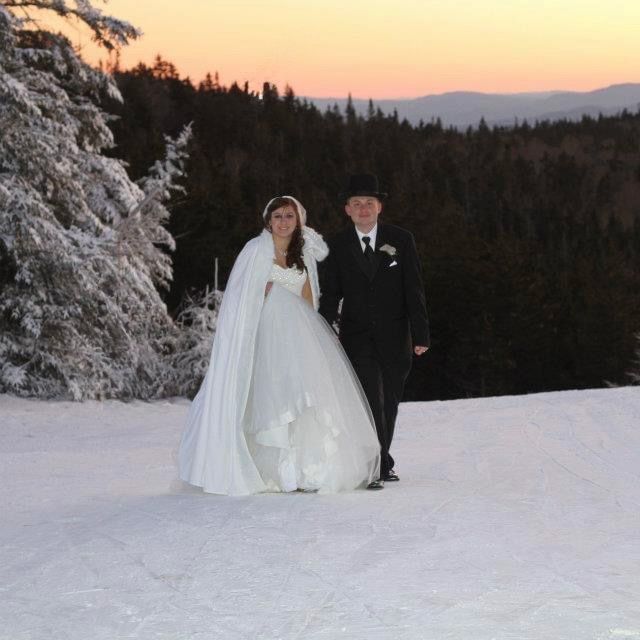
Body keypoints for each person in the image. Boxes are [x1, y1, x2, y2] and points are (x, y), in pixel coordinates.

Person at [179, 196, 381, 495]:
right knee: (270, 397)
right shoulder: (255, 251)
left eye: (289, 216)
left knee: (302, 397)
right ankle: (273, 470)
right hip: (264, 337)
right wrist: (262, 292)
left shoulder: (304, 253)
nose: (283, 222)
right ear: (268, 221)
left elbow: (309, 298)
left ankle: (305, 470)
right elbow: (238, 298)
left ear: (298, 220)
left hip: (298, 336)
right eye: (277, 216)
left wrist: (316, 338)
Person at [319, 174, 430, 487]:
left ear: (380, 207)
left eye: (369, 203)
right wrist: (321, 329)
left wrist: (421, 335)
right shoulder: (337, 245)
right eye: (357, 204)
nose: (363, 208)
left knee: (390, 401)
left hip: (397, 338)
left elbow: (414, 289)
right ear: (347, 210)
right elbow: (331, 293)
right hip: (357, 339)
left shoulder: (401, 239)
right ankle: (376, 467)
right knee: (371, 399)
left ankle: (383, 458)